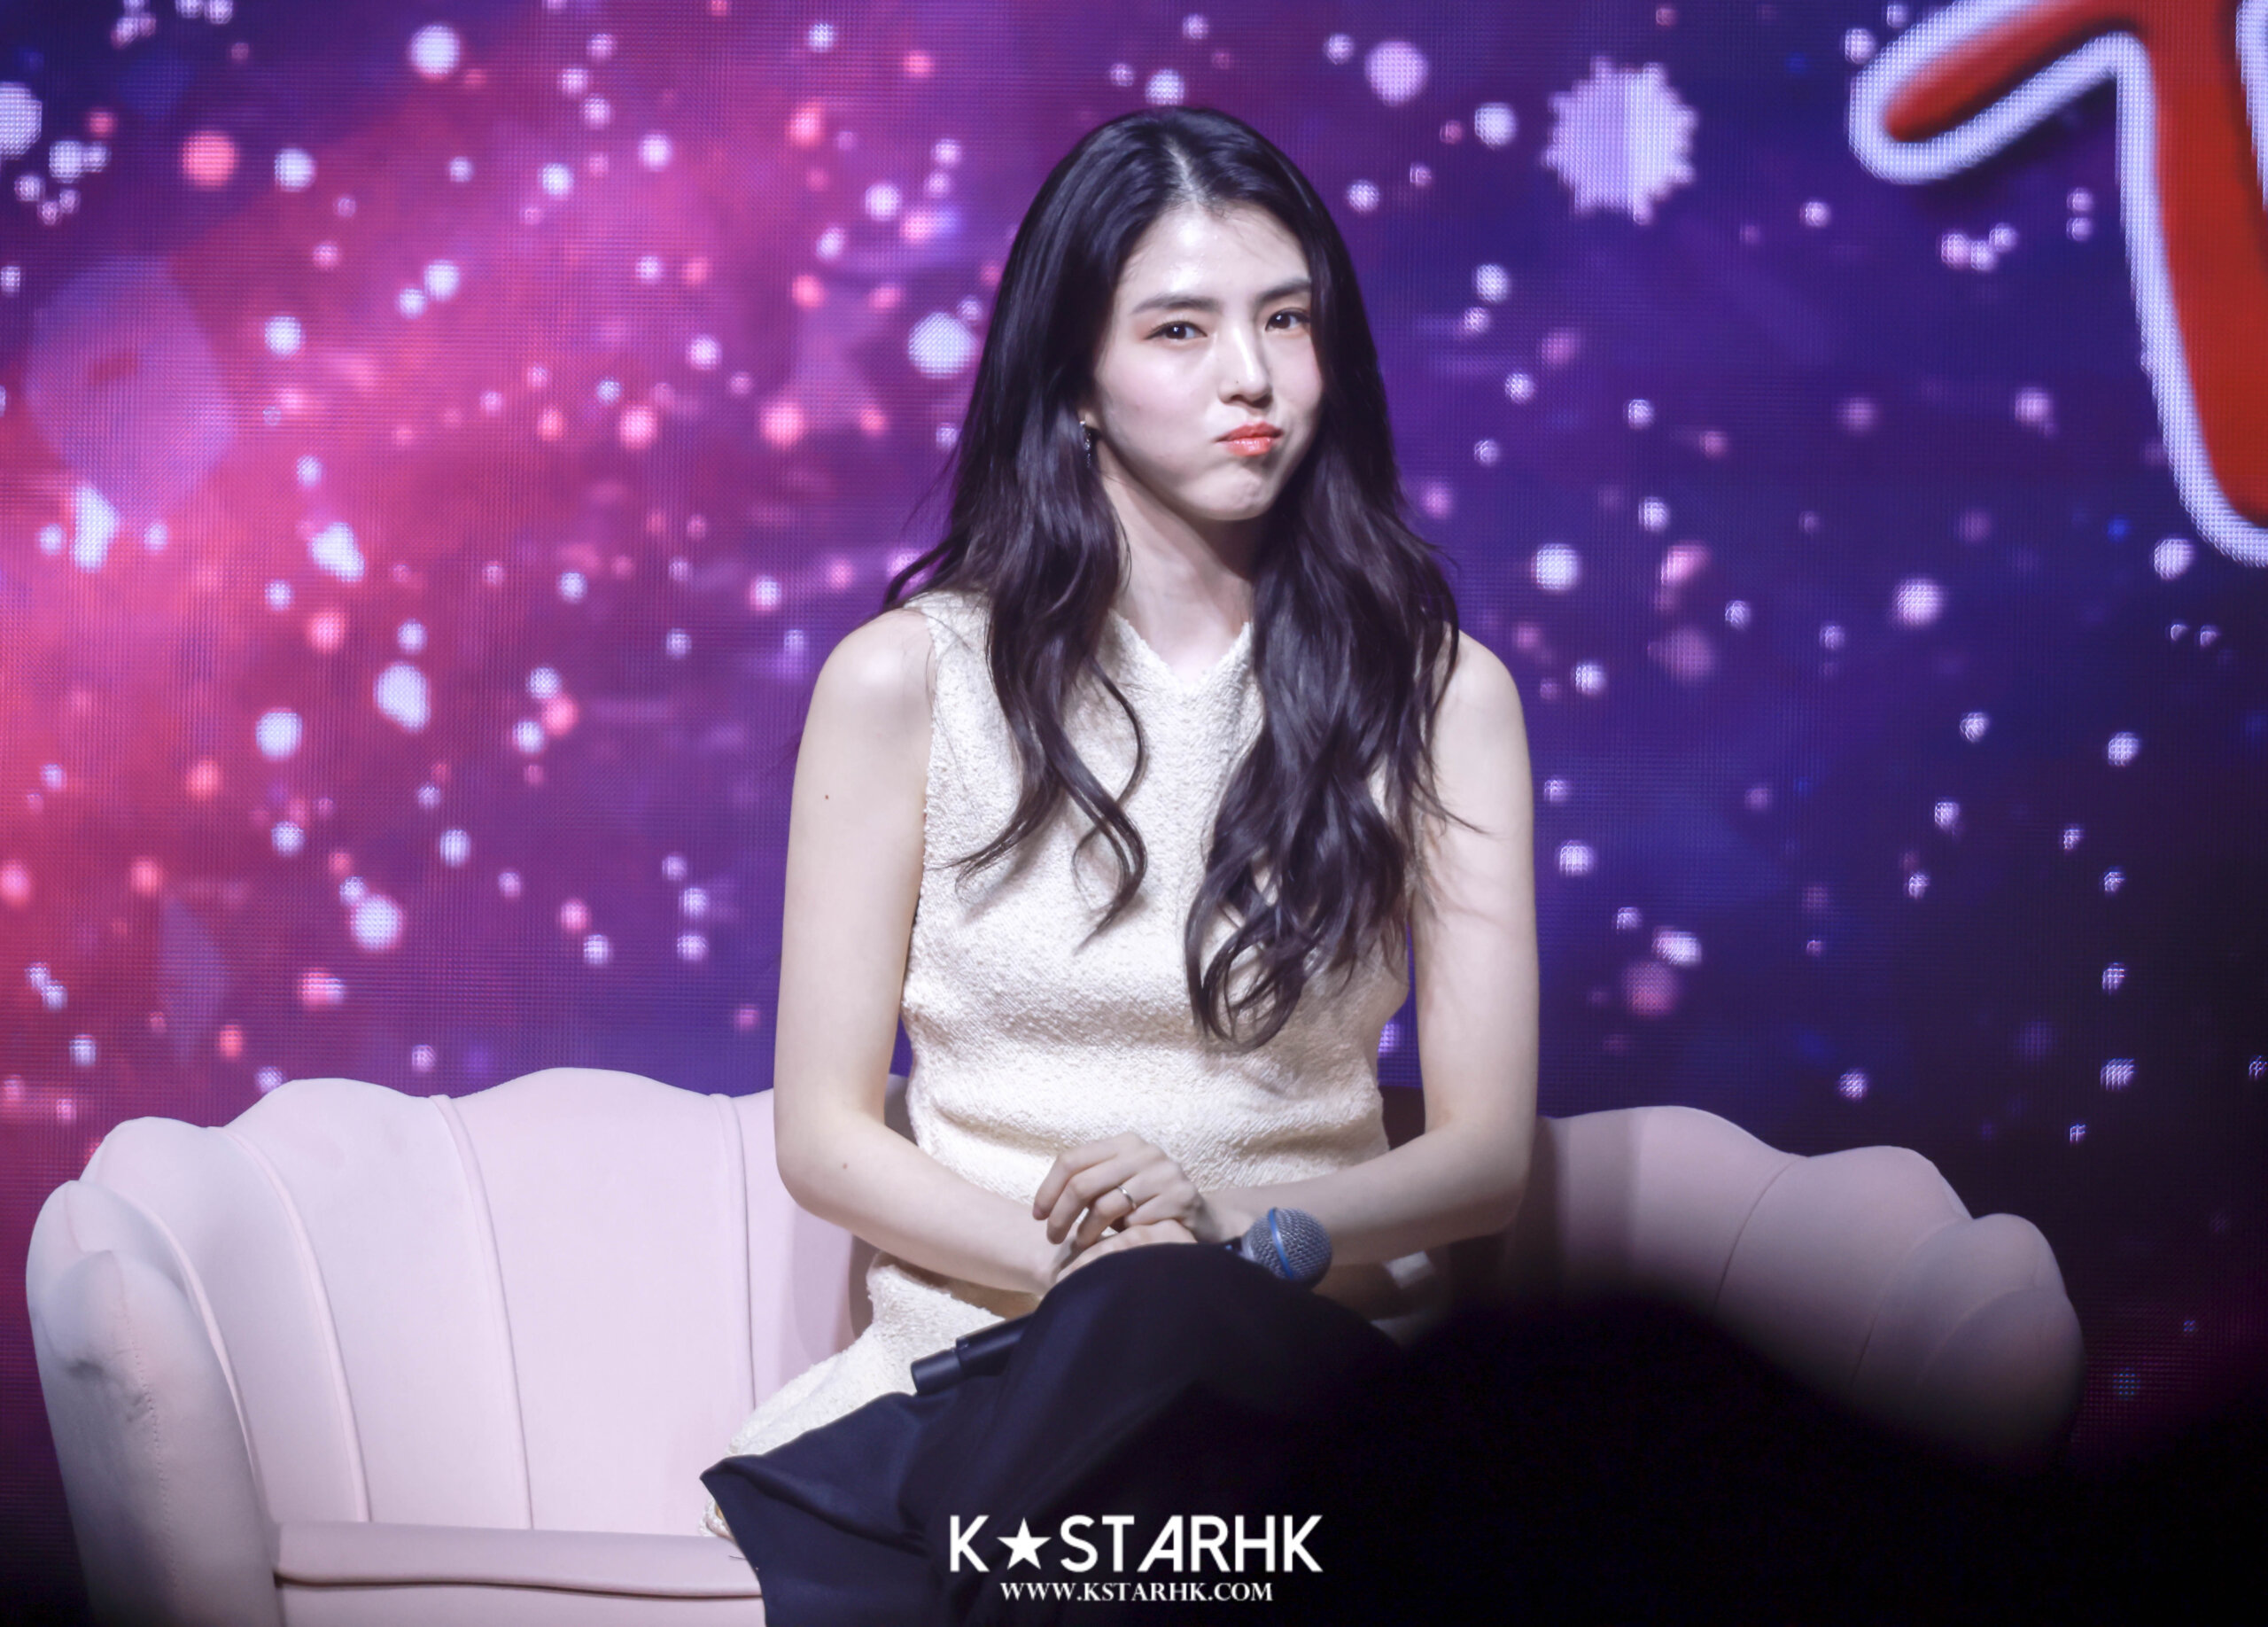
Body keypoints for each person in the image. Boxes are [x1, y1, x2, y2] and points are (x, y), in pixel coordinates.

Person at [701, 105, 1538, 1623]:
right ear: (1074, 379)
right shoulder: (908, 683)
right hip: (995, 1369)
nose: (1251, 376)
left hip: (1303, 1366)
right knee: (1136, 1455)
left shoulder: (1438, 696)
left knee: (1198, 1469)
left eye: (1287, 319)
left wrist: (1231, 1243)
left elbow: (1483, 1159)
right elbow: (822, 1134)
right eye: (1180, 329)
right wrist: (1094, 1272)